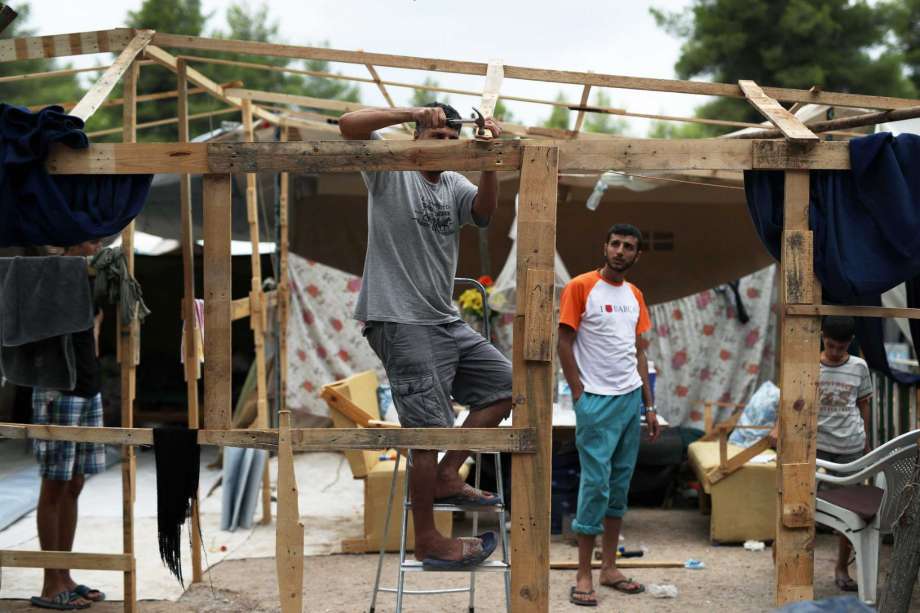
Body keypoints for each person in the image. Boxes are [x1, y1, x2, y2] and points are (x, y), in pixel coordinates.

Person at [339, 103, 509, 568]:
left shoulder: (454, 183)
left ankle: (449, 474)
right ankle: (429, 539)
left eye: (445, 140)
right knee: (426, 433)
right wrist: (414, 112)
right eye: (429, 137)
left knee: (505, 387)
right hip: (399, 318)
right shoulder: (390, 170)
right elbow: (348, 125)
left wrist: (491, 158)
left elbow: (485, 213)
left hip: (442, 319)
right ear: (414, 137)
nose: (437, 147)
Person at [557, 223, 660, 607]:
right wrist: (578, 392)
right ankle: (583, 572)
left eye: (628, 246)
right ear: (605, 247)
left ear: (636, 255)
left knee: (619, 484)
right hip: (595, 400)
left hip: (630, 398)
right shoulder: (581, 287)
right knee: (595, 484)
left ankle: (610, 567)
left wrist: (649, 406)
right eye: (615, 244)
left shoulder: (635, 294)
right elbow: (563, 341)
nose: (620, 251)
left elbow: (640, 351)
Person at [768, 315, 872, 593]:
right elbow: (789, 399)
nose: (836, 352)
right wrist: (778, 427)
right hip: (813, 445)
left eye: (841, 347)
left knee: (850, 513)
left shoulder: (859, 367)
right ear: (822, 337)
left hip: (850, 446)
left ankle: (842, 567)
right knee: (798, 502)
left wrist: (866, 441)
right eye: (830, 345)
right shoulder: (808, 364)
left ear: (849, 343)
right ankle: (789, 563)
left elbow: (863, 404)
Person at [31, 239, 107, 610]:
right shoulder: (47, 275)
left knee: (75, 483)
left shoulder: (89, 276)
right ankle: (50, 581)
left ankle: (65, 574)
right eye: (90, 241)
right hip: (57, 387)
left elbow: (92, 331)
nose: (96, 246)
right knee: (55, 484)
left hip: (87, 386)